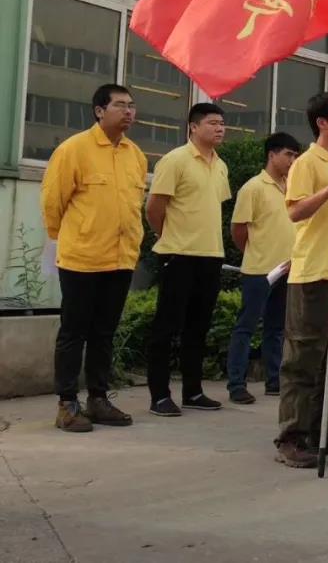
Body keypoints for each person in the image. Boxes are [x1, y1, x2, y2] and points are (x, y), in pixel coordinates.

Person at [41, 84, 147, 432]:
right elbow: (53, 202)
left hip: (120, 259)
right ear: (99, 111)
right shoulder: (74, 149)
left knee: (104, 332)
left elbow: (133, 206)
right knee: (74, 332)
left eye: (131, 105)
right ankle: (67, 404)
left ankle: (98, 399)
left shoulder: (135, 155)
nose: (128, 111)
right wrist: (67, 238)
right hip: (81, 258)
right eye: (120, 105)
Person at [274, 92, 328, 468]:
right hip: (313, 273)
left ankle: (323, 428)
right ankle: (291, 437)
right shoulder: (307, 163)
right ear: (322, 123)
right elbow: (295, 211)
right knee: (304, 358)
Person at [145, 103, 231, 416]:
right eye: (212, 123)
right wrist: (167, 236)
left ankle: (193, 391)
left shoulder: (220, 165)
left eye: (221, 123)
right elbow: (154, 207)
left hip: (211, 255)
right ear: (193, 127)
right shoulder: (176, 160)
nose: (219, 129)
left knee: (198, 327)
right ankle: (159, 395)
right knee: (167, 327)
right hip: (178, 254)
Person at [225, 132, 302, 405]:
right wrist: (254, 252)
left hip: (287, 268)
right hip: (259, 269)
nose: (292, 161)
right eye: (288, 155)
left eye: (295, 156)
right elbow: (238, 230)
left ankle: (274, 380)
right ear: (272, 154)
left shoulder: (292, 188)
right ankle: (236, 384)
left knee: (277, 328)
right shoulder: (253, 188)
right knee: (246, 326)